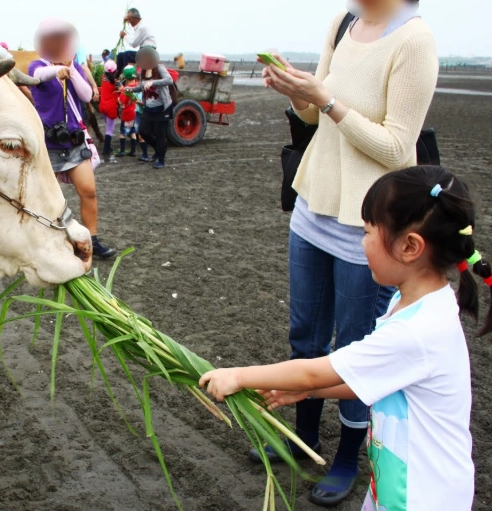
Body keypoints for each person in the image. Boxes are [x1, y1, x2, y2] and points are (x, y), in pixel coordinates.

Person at [201, 166, 481, 511]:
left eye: (366, 232)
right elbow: (378, 380)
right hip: (397, 482)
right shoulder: (412, 303)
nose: (362, 242)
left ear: (409, 246)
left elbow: (313, 371)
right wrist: (309, 391)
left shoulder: (416, 331)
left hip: (425, 496)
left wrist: (239, 376)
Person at [253, 0, 438, 505]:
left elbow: (400, 150)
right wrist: (296, 94)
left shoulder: (414, 41)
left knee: (356, 348)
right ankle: (304, 439)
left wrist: (328, 100)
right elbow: (315, 115)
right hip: (313, 205)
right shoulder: (345, 21)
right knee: (305, 334)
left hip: (368, 224)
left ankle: (347, 457)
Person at [28, 18, 116, 259]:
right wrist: (58, 70)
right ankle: (50, 243)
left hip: (74, 141)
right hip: (49, 144)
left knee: (88, 191)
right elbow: (40, 75)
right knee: (50, 199)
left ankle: (92, 239)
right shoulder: (37, 65)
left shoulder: (74, 66)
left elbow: (87, 95)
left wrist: (72, 70)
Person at [125, 48, 172, 169]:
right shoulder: (143, 71)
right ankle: (158, 148)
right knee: (143, 131)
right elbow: (142, 86)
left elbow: (169, 80)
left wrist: (153, 83)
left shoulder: (159, 68)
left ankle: (161, 159)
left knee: (160, 134)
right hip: (148, 108)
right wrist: (131, 89)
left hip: (162, 108)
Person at [116, 8, 156, 74]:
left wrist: (124, 35)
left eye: (130, 19)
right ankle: (118, 75)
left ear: (136, 18)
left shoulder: (143, 27)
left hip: (148, 52)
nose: (129, 21)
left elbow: (133, 44)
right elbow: (133, 34)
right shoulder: (139, 26)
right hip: (143, 51)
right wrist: (127, 23)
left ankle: (126, 75)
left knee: (127, 54)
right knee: (120, 55)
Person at [115, 66, 139, 157]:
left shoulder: (126, 89)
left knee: (122, 133)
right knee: (133, 132)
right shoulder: (137, 86)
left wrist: (118, 97)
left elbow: (121, 102)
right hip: (135, 112)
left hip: (127, 113)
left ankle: (122, 151)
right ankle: (133, 151)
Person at [99, 60, 119, 157]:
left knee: (107, 127)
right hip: (111, 107)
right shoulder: (115, 83)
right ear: (115, 71)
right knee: (109, 130)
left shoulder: (103, 79)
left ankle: (108, 147)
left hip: (102, 106)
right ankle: (106, 149)